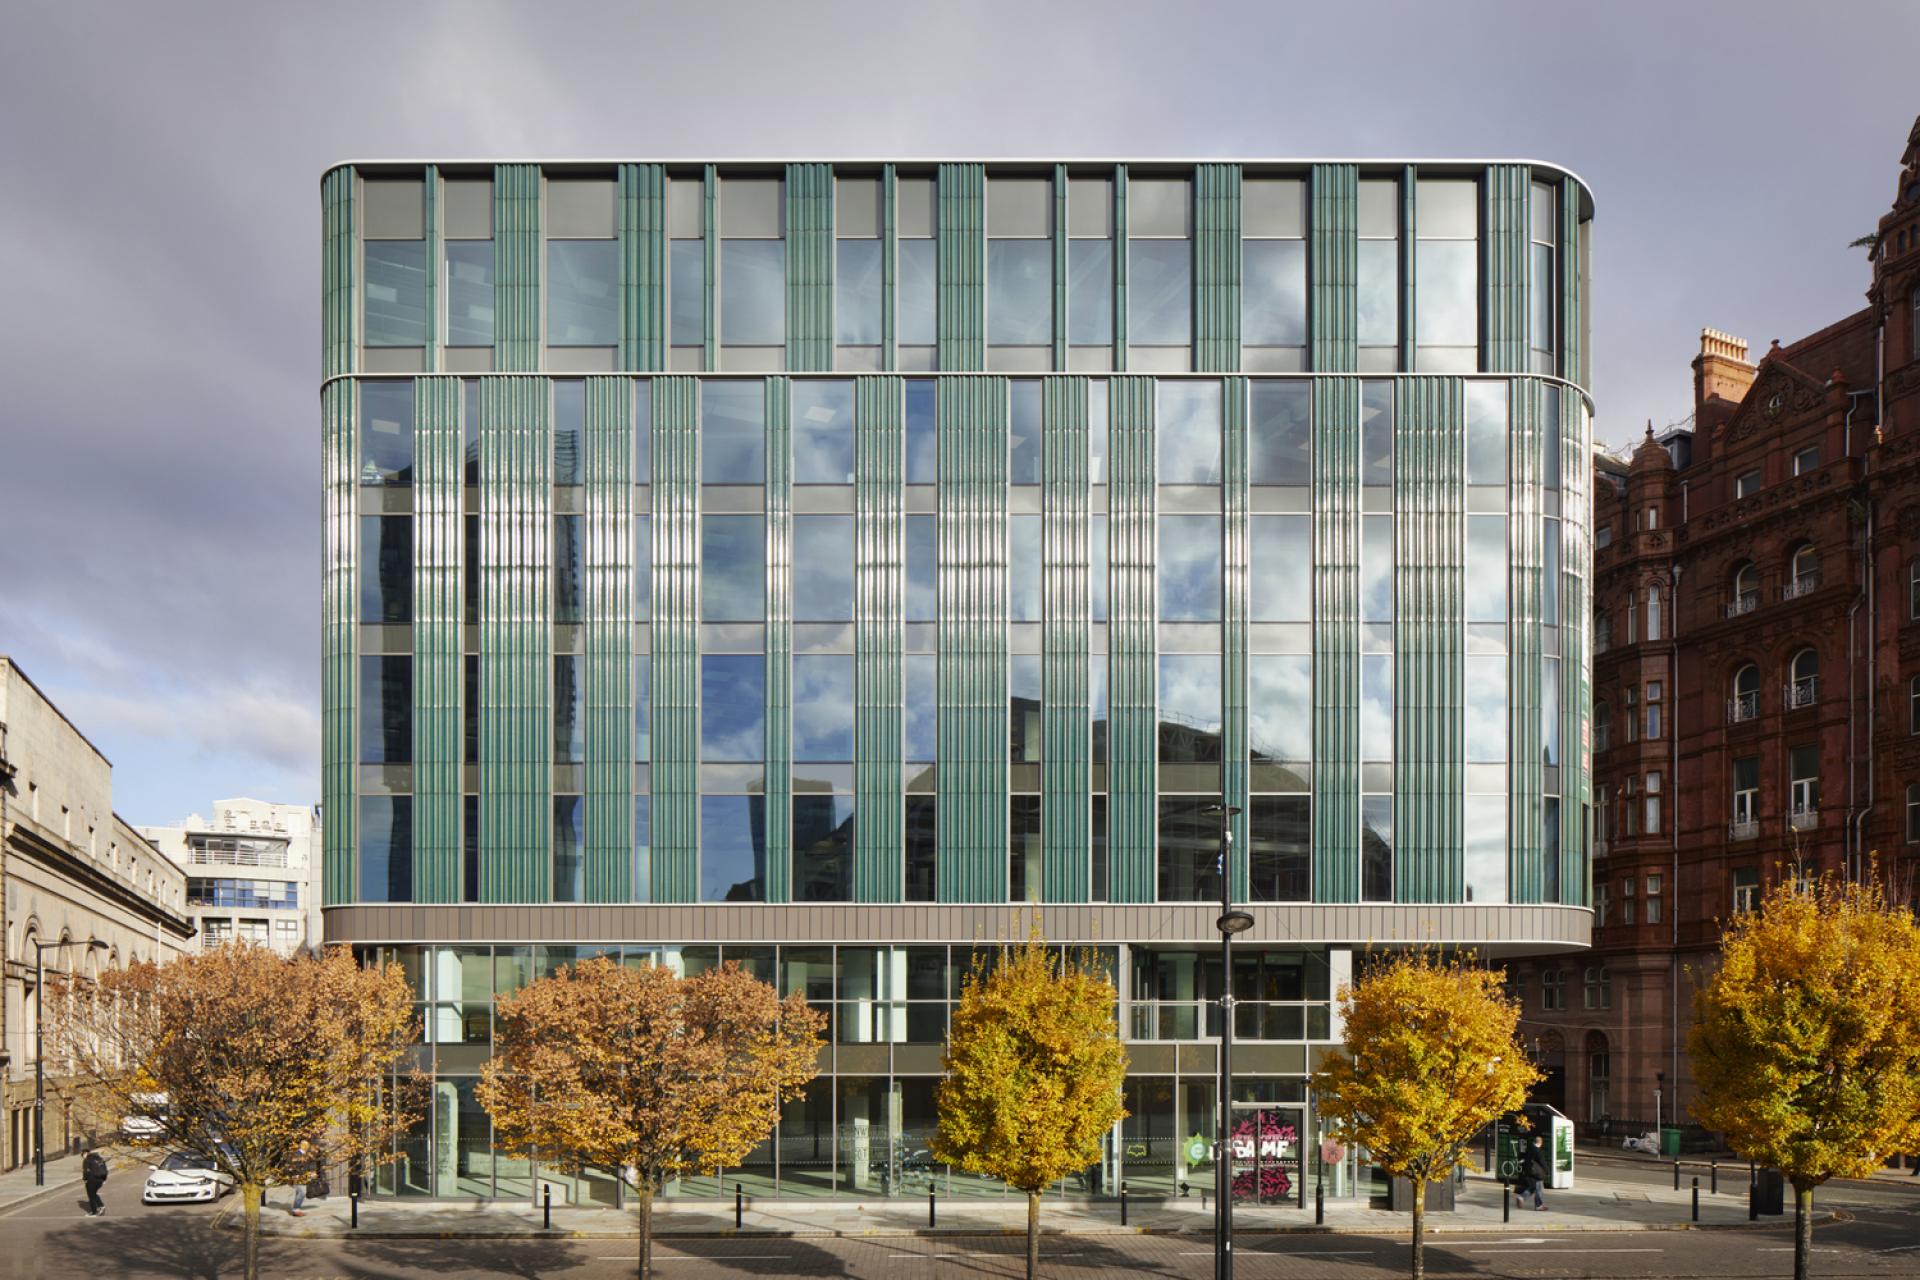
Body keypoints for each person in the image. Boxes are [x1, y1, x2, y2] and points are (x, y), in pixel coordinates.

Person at [1519, 1134, 1549, 1210]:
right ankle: (1538, 1205)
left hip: (1528, 1171)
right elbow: (1542, 1162)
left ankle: (1521, 1197)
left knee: (1532, 1187)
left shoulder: (1529, 1148)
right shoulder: (1538, 1151)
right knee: (1539, 1188)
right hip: (1537, 1173)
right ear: (1540, 1143)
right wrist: (1547, 1171)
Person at [81, 1148, 108, 1217]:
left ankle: (94, 1212)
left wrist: (85, 1179)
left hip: (92, 1180)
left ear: (85, 1153)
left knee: (91, 1195)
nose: (82, 1156)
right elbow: (105, 1169)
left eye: (82, 1155)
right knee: (94, 1194)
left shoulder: (87, 1160)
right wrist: (104, 1179)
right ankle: (100, 1206)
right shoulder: (99, 1158)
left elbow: (86, 1172)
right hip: (100, 1179)